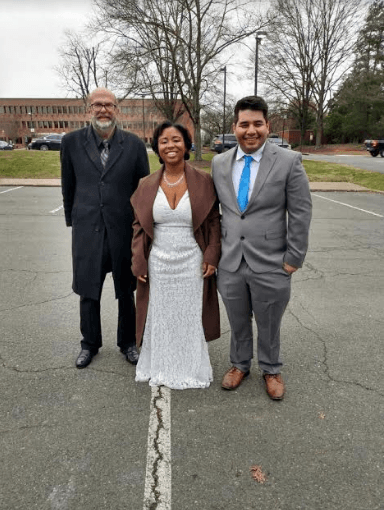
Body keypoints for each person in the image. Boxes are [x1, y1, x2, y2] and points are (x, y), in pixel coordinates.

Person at [211, 96, 312, 400]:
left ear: (268, 126)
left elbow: (300, 212)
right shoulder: (219, 164)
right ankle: (239, 364)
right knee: (238, 319)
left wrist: (293, 258)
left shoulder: (288, 161)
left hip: (271, 262)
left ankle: (271, 368)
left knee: (269, 320)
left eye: (257, 124)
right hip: (230, 261)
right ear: (235, 127)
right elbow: (215, 213)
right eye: (244, 124)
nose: (250, 130)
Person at [61, 87, 150, 368]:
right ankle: (89, 344)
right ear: (89, 109)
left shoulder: (134, 145)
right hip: (87, 230)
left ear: (117, 110)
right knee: (88, 291)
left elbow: (143, 190)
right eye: (97, 105)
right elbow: (68, 187)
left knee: (126, 290)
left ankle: (128, 343)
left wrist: (142, 230)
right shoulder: (71, 143)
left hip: (124, 230)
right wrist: (73, 222)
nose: (103, 110)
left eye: (109, 105)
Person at [130, 121, 221, 389]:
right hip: (157, 261)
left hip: (192, 261)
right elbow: (138, 227)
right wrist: (139, 261)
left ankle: (190, 368)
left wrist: (212, 255)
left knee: (190, 315)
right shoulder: (145, 184)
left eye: (176, 140)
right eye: (164, 141)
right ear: (157, 148)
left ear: (186, 144)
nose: (171, 145)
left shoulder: (204, 181)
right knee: (160, 316)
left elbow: (214, 222)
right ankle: (159, 365)